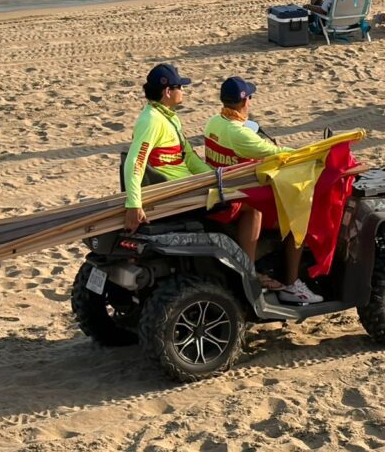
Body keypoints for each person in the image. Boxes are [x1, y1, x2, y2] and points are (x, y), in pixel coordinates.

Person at [204, 77, 323, 304]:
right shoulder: (240, 134)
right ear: (244, 101)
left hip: (223, 187)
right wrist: (317, 154)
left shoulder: (214, 122)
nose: (250, 102)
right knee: (298, 216)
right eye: (249, 97)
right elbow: (280, 154)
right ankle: (290, 283)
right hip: (235, 197)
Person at [123, 63, 210, 233]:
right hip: (175, 194)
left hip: (188, 187)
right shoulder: (151, 121)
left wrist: (215, 178)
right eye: (180, 87)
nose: (183, 90)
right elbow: (135, 162)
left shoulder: (168, 116)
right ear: (168, 91)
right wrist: (134, 204)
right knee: (248, 210)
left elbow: (189, 156)